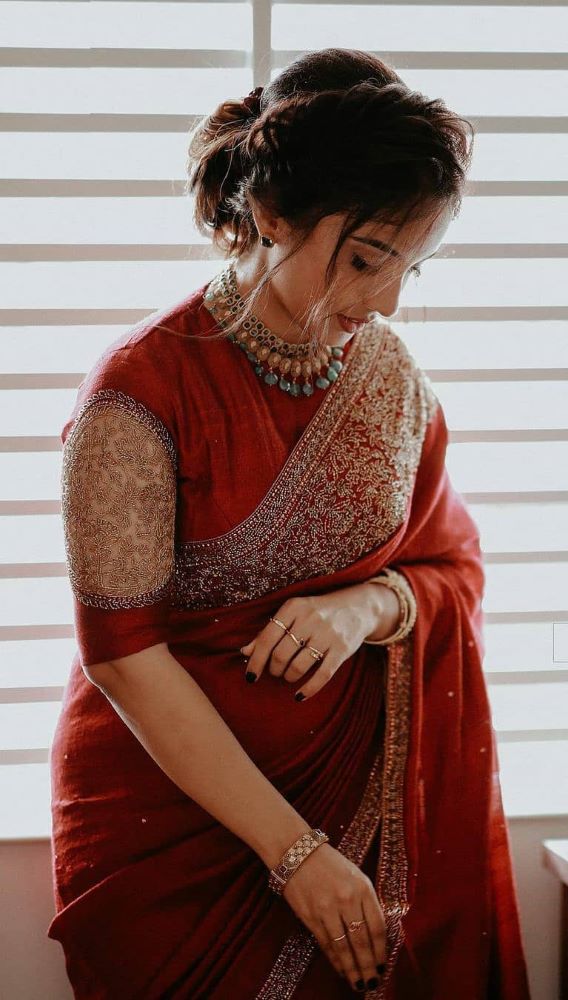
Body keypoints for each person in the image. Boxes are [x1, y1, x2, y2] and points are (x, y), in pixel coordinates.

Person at [47, 47, 531, 999]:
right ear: (269, 216)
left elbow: (453, 569)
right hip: (171, 842)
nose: (387, 300)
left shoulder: (392, 388)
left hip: (357, 806)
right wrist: (297, 856)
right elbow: (122, 657)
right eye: (365, 259)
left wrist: (365, 608)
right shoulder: (137, 390)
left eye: (410, 269)